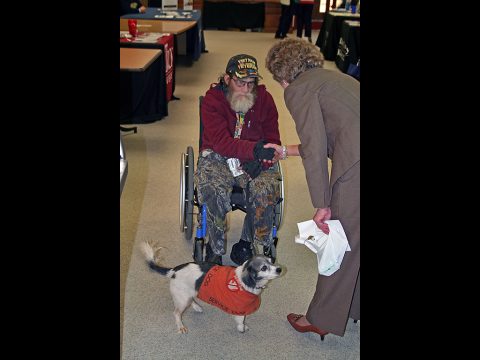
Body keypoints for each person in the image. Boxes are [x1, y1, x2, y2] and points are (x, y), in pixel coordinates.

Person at [264, 38, 360, 340]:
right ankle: (353, 307)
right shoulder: (337, 78)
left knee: (340, 243)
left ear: (282, 77)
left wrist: (322, 204)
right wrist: (286, 150)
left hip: (355, 165)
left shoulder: (298, 89)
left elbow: (318, 150)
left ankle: (320, 318)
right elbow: (333, 133)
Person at [194, 54, 282, 266]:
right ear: (227, 79)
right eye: (240, 83)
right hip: (218, 155)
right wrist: (255, 150)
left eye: (250, 84)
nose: (245, 89)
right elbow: (221, 143)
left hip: (255, 158)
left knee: (265, 189)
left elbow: (273, 141)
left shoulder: (265, 100)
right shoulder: (212, 101)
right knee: (212, 189)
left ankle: (246, 243)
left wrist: (262, 161)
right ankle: (214, 249)